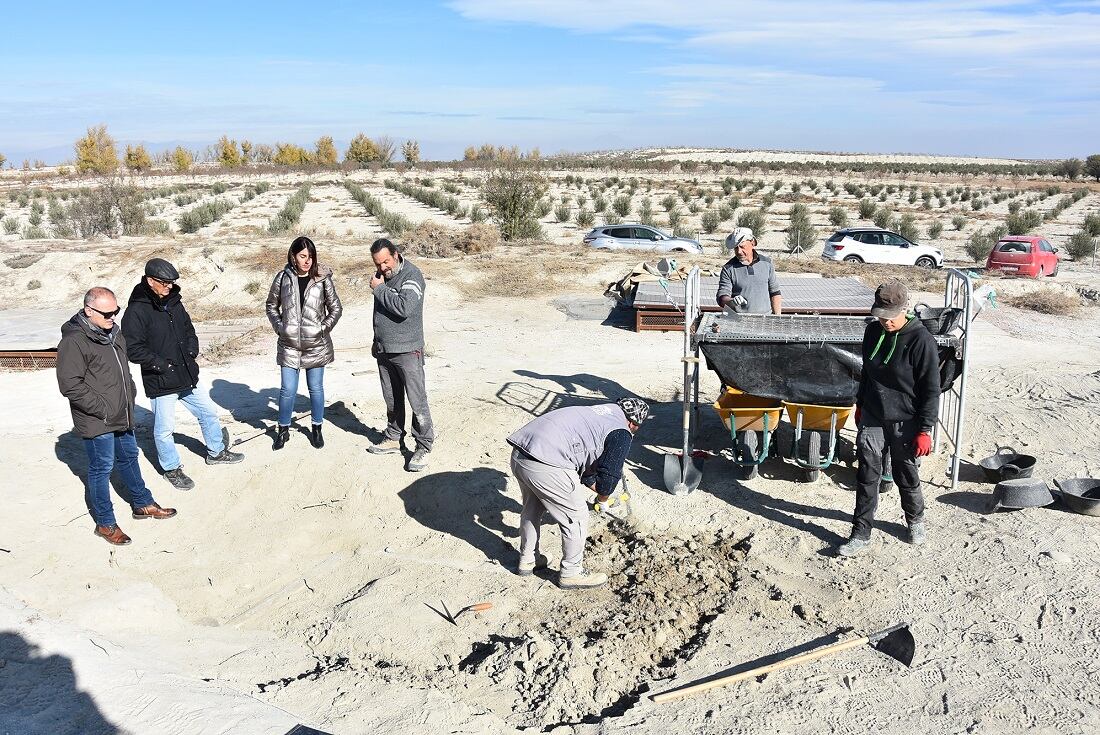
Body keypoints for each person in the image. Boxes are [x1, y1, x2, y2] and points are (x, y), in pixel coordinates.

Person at [56, 287, 177, 546]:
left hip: (121, 412)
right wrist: (103, 408)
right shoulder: (74, 341)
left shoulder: (114, 332)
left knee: (129, 458)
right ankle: (105, 522)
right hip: (97, 418)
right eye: (107, 313)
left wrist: (129, 394)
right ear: (89, 311)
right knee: (102, 468)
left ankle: (142, 503)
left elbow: (123, 371)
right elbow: (70, 385)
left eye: (116, 311)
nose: (113, 316)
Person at [121, 258, 243, 491]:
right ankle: (171, 469)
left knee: (208, 412)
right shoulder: (136, 311)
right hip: (161, 380)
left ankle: (216, 453)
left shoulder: (174, 302)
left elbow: (188, 329)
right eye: (164, 283)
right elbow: (133, 349)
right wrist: (162, 365)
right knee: (164, 429)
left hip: (186, 375)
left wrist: (191, 349)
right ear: (150, 281)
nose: (169, 287)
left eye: (172, 283)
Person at [838, 281, 940, 557]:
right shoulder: (873, 331)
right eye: (880, 315)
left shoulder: (920, 340)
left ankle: (915, 520)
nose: (884, 321)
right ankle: (860, 532)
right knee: (867, 473)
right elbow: (867, 375)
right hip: (873, 413)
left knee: (905, 471)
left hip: (905, 418)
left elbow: (931, 389)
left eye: (890, 316)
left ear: (904, 309)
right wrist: (860, 404)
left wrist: (925, 428)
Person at [506, 398, 649, 590]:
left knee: (533, 508)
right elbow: (608, 480)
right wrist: (603, 499)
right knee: (577, 514)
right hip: (547, 461)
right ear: (634, 424)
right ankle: (571, 572)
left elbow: (584, 464)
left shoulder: (598, 413)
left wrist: (595, 486)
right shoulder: (621, 432)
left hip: (521, 453)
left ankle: (528, 559)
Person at [265, 236, 343, 450]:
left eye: (311, 256)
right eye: (303, 256)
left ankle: (317, 428)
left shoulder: (322, 278)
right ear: (293, 256)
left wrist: (322, 329)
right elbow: (271, 305)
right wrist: (281, 328)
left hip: (316, 344)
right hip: (289, 344)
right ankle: (283, 430)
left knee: (315, 388)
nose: (307, 261)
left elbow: (336, 308)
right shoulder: (282, 278)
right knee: (287, 389)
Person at [365, 238, 434, 472]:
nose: (383, 267)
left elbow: (404, 308)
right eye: (378, 263)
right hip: (385, 350)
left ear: (396, 254)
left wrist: (379, 289)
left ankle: (423, 444)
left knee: (417, 400)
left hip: (408, 349)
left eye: (386, 261)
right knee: (391, 399)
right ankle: (394, 437)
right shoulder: (382, 277)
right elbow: (381, 311)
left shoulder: (412, 276)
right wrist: (377, 341)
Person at [717, 227, 782, 314]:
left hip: (765, 318)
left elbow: (775, 292)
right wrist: (732, 301)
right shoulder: (728, 268)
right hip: (739, 320)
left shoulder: (767, 263)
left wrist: (777, 317)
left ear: (752, 243)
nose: (739, 251)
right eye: (736, 248)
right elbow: (722, 297)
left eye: (742, 246)